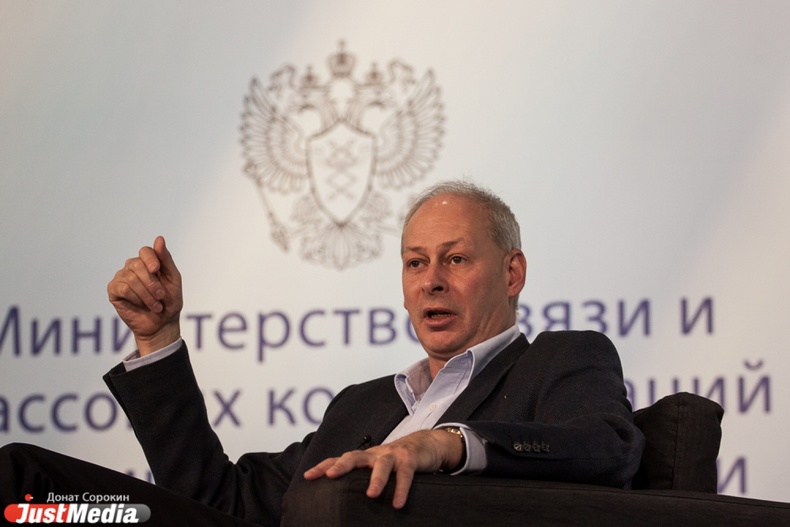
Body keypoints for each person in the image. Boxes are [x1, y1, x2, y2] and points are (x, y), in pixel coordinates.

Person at [1, 181, 644, 525]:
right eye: (415, 263)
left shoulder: (560, 360)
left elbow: (607, 449)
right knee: (29, 492)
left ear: (512, 273)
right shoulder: (363, 406)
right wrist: (158, 338)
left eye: (455, 259)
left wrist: (445, 444)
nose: (431, 281)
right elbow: (220, 501)